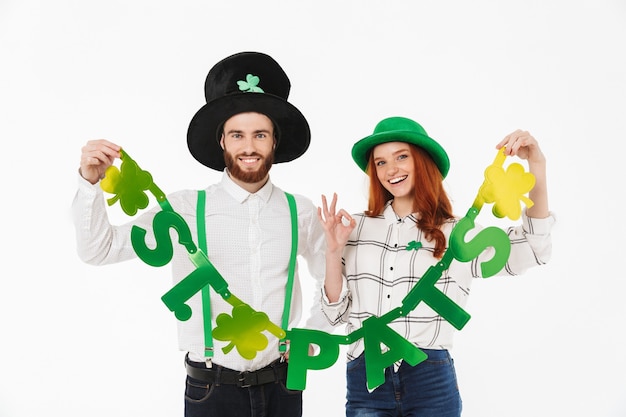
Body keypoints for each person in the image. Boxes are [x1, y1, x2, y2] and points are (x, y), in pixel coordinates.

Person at [72, 51, 330, 417]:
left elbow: (335, 281)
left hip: (283, 387)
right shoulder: (184, 209)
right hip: (211, 390)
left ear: (275, 141)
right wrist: (89, 184)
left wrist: (311, 334)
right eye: (237, 135)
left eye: (260, 134)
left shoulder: (300, 212)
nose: (249, 147)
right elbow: (99, 250)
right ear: (222, 142)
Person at [317, 116, 555, 417]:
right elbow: (334, 313)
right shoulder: (354, 227)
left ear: (423, 162)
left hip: (430, 377)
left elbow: (534, 249)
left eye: (402, 156)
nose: (391, 170)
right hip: (367, 378)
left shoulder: (457, 233)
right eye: (380, 162)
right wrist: (332, 251)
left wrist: (538, 166)